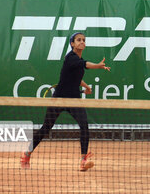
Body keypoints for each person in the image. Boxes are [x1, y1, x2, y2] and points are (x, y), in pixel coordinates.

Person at [20, 32, 110, 171]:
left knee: (84, 125)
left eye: (84, 40)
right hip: (59, 99)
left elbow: (76, 78)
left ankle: (83, 160)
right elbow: (86, 65)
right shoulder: (70, 58)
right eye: (78, 40)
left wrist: (86, 87)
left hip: (74, 100)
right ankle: (27, 154)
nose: (82, 42)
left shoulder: (78, 60)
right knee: (46, 128)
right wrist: (98, 66)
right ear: (72, 44)